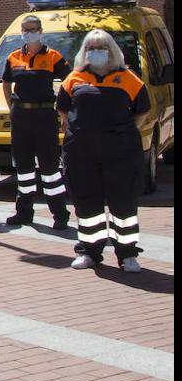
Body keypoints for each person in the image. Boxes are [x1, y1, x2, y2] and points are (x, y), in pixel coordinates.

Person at [58, 30, 149, 272]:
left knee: (124, 202)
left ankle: (127, 254)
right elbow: (63, 109)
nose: (96, 52)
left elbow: (142, 110)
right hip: (81, 152)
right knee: (86, 202)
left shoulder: (128, 78)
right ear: (84, 52)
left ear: (112, 51)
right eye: (91, 48)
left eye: (101, 48)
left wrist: (123, 133)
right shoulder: (74, 78)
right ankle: (89, 251)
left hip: (120, 152)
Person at [1, 15, 71, 228]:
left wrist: (64, 112)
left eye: (33, 29)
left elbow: (69, 82)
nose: (29, 32)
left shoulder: (53, 56)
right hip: (21, 117)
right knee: (23, 169)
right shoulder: (13, 57)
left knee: (50, 169)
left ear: (40, 31)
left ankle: (60, 214)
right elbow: (6, 82)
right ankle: (23, 212)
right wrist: (10, 107)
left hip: (44, 117)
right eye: (25, 29)